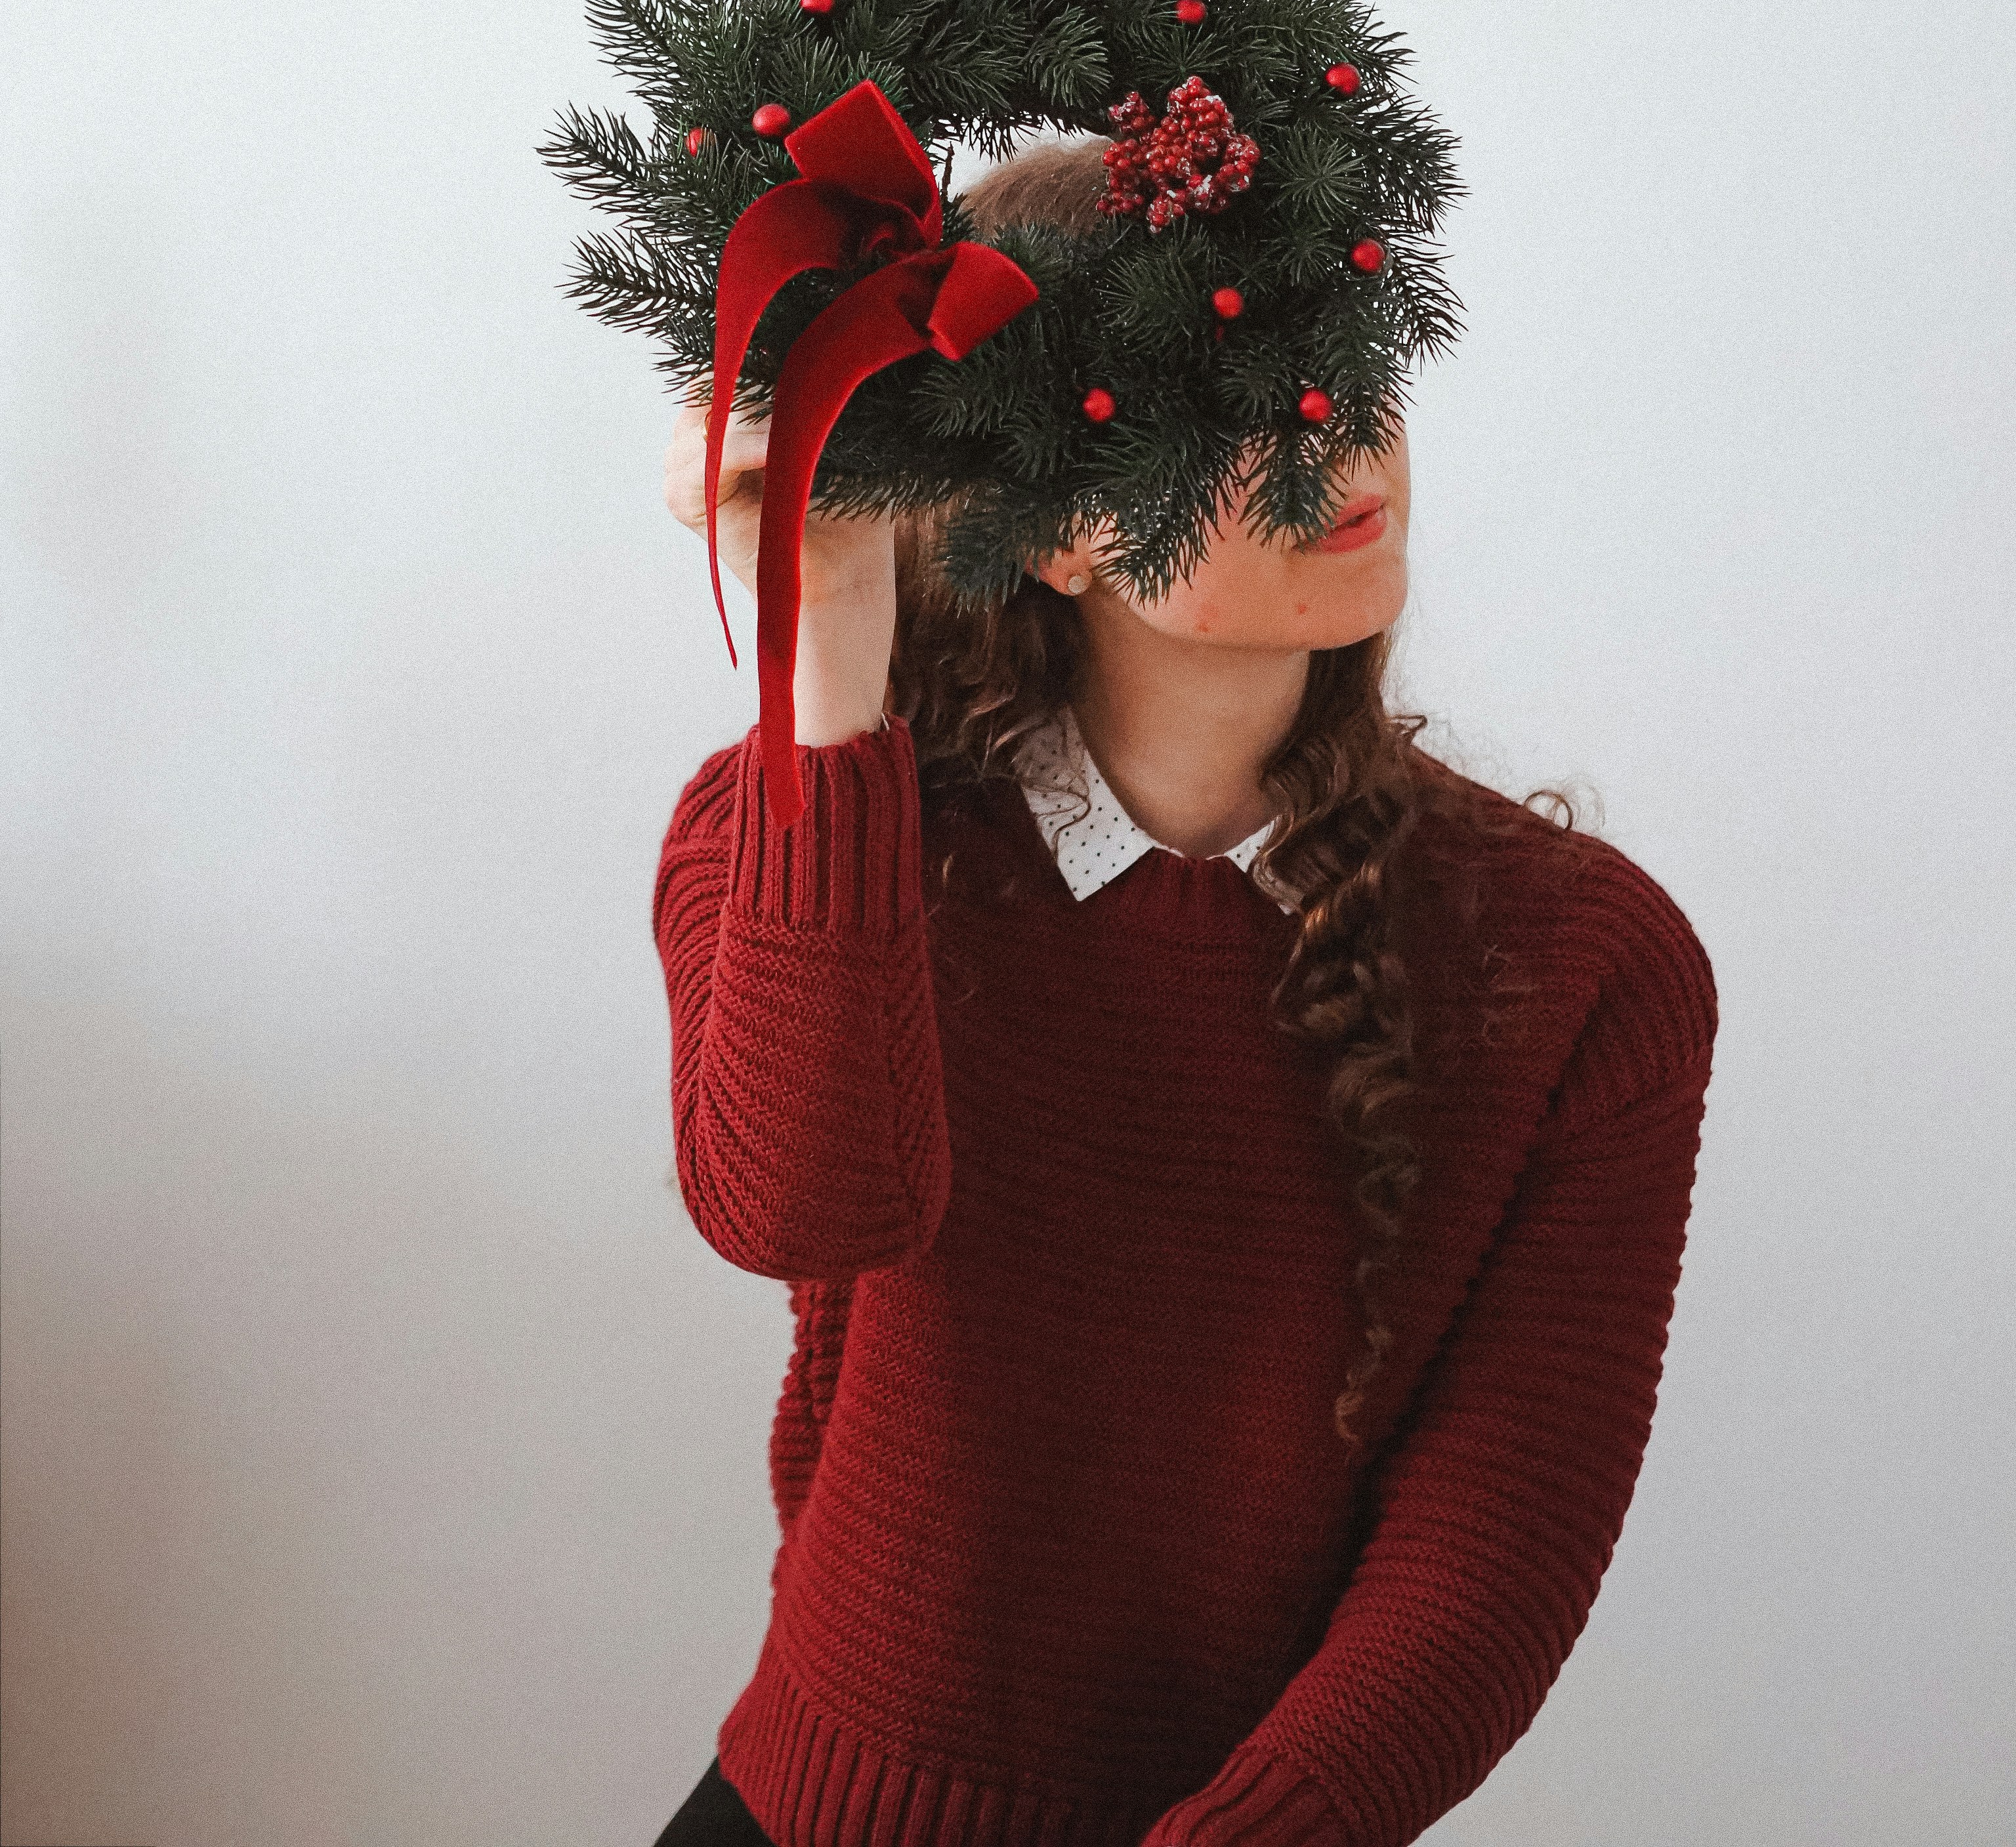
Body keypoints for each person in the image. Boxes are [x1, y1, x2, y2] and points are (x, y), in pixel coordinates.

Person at [648, 136, 1717, 1847]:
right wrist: (827, 643)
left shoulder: (1579, 963)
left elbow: (1498, 1529)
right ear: (1047, 532)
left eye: (1340, 364)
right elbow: (801, 1205)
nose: (1339, 436)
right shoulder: (801, 836)